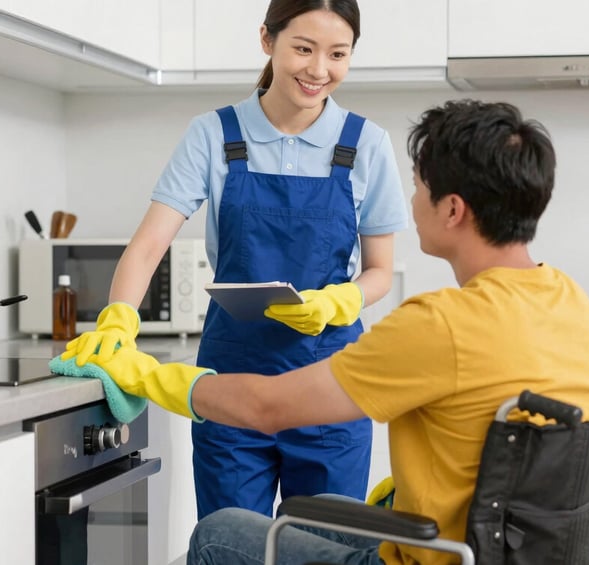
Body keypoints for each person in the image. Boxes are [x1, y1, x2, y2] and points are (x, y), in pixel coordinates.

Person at [90, 99, 589, 564]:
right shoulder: (569, 299)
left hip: (430, 554)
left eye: (419, 187)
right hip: (498, 544)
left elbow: (265, 409)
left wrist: (147, 374)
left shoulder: (441, 323)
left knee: (217, 532)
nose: (410, 202)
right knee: (325, 512)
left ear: (453, 209)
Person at [60, 0, 409, 520]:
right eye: (304, 49)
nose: (319, 70)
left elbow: (381, 269)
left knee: (324, 551)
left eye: (338, 54)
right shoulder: (214, 134)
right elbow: (151, 242)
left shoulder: (367, 145)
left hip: (329, 385)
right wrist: (120, 318)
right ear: (268, 40)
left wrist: (343, 298)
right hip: (230, 378)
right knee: (229, 542)